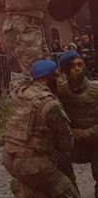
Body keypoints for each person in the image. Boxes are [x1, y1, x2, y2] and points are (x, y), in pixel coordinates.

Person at [2, 60, 80, 197]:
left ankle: (24, 189)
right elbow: (66, 141)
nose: (60, 80)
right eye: (56, 76)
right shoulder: (50, 105)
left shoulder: (20, 94)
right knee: (70, 193)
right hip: (35, 165)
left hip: (10, 158)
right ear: (45, 79)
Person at [57, 51, 98, 197]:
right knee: (57, 166)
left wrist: (85, 133)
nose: (77, 68)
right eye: (72, 65)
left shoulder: (96, 89)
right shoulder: (60, 91)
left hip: (95, 142)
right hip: (71, 144)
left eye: (80, 64)